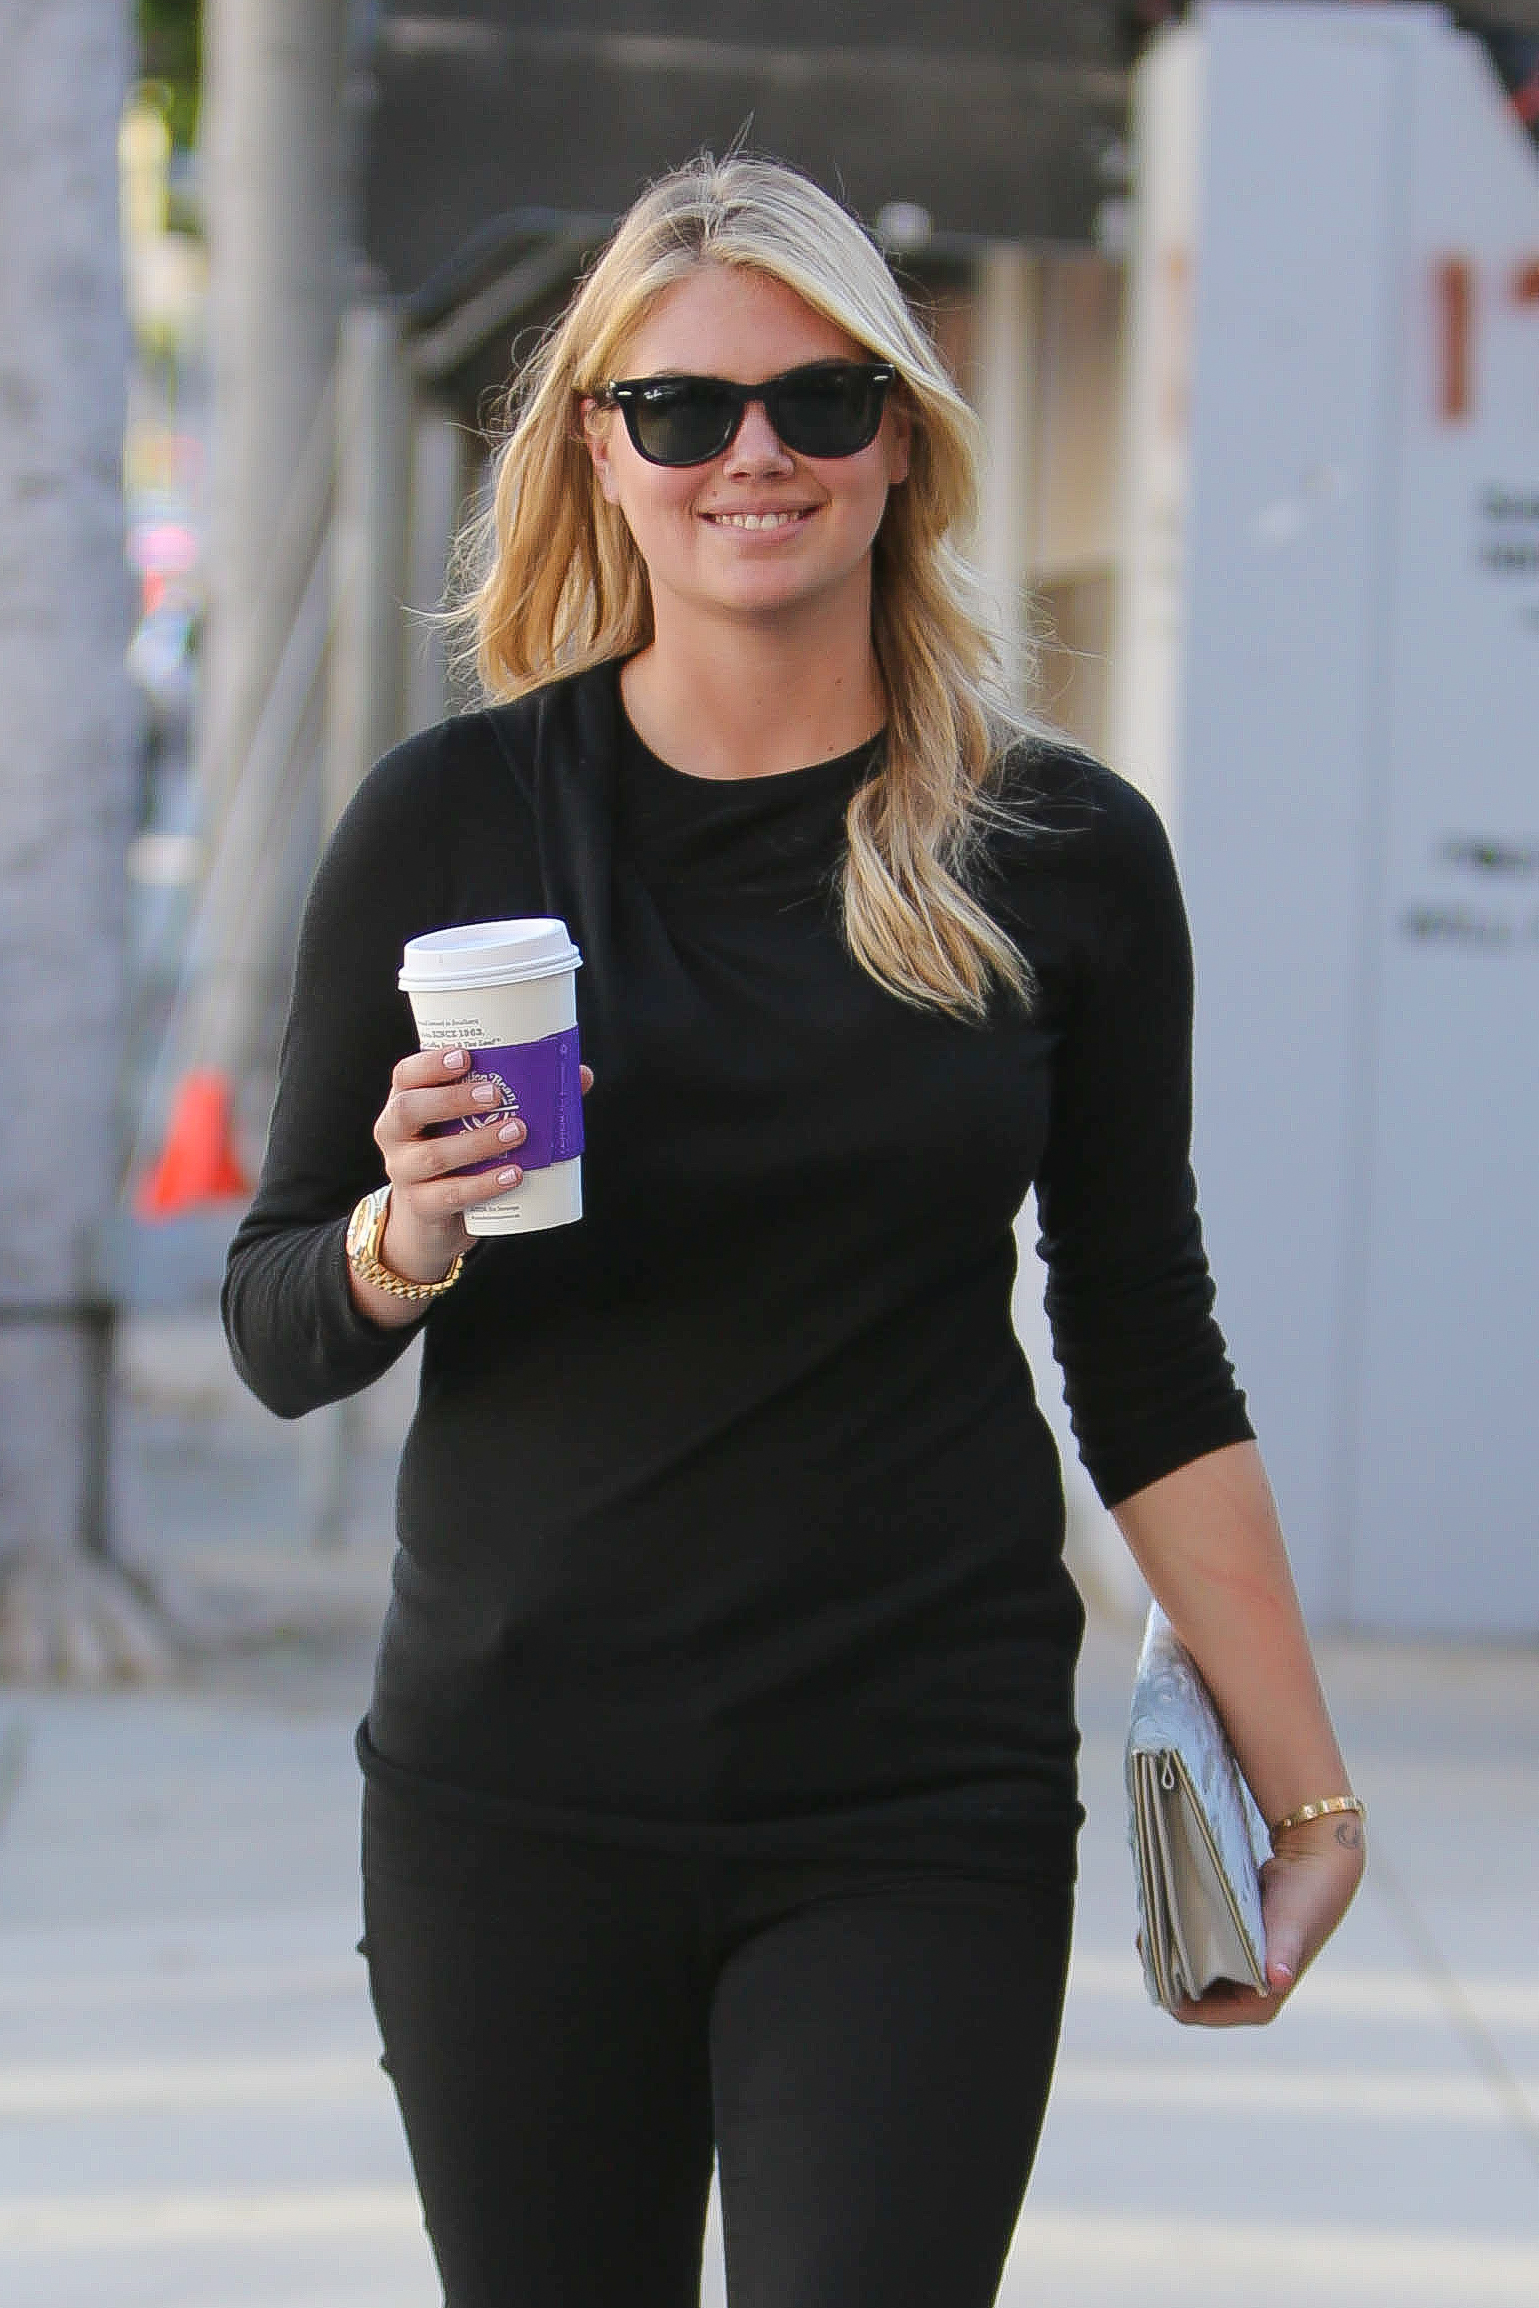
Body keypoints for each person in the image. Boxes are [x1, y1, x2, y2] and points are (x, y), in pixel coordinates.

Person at [223, 152, 1364, 2308]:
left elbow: (1144, 1344)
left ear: (899, 441)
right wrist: (402, 1232)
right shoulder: (452, 826)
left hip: (912, 1792)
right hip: (517, 1793)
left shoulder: (1056, 851)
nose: (754, 453)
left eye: (820, 400)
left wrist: (1305, 1796)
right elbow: (278, 1320)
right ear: (600, 452)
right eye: (682, 408)